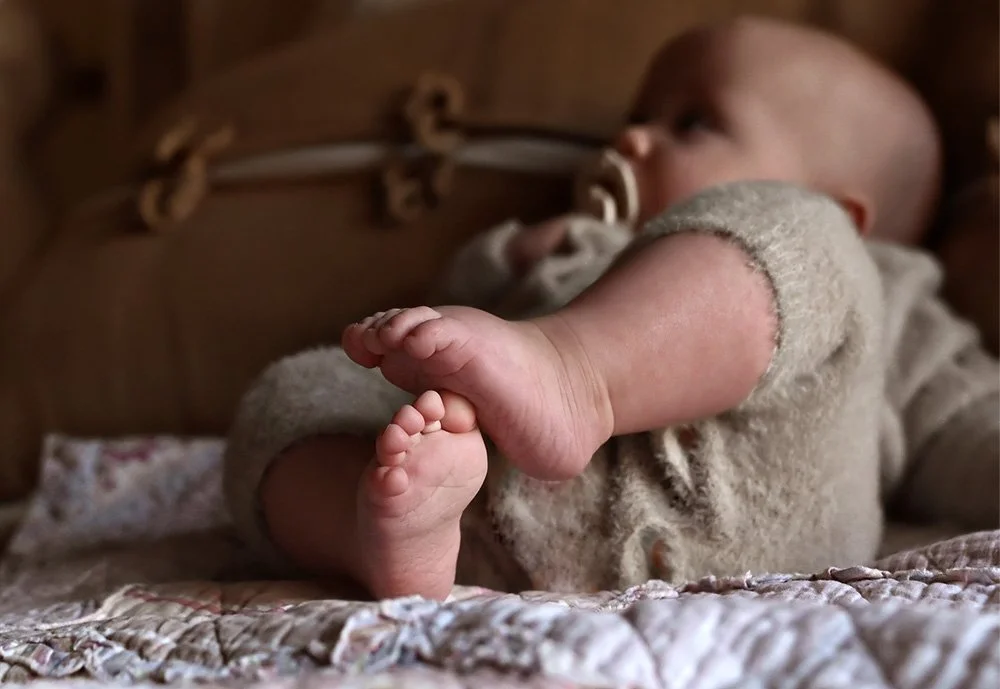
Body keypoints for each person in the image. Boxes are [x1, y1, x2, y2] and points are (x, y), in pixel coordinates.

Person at [224, 17, 999, 600]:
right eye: (639, 114)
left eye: (692, 123)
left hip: (760, 523)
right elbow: (445, 347)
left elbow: (967, 422)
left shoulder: (878, 279)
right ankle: (379, 534)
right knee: (294, 389)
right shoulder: (563, 248)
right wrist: (513, 261)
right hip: (499, 525)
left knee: (805, 237)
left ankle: (576, 369)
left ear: (854, 211)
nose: (631, 138)